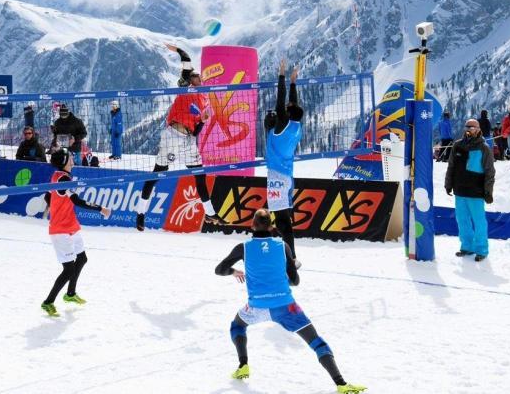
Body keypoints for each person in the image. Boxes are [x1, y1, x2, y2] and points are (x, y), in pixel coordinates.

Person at [215, 208, 366, 393]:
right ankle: (341, 384)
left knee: (237, 326)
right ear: (271, 227)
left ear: (252, 225)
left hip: (256, 306)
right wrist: (283, 275)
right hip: (286, 306)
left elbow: (219, 269)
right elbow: (295, 282)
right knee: (316, 341)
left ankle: (243, 364)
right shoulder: (283, 246)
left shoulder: (243, 248)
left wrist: (233, 271)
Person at [136, 44, 219, 231]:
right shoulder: (185, 87)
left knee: (200, 175)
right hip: (173, 136)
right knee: (157, 174)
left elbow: (196, 132)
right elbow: (187, 60)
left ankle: (210, 213)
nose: (198, 77)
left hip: (188, 140)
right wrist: (178, 49)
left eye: (199, 76)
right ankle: (140, 213)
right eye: (195, 75)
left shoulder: (203, 100)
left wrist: (202, 121)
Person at [41, 149, 111, 317]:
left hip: (71, 225)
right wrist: (101, 209)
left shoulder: (58, 176)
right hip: (60, 229)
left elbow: (47, 196)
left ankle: (70, 294)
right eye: (70, 156)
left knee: (82, 259)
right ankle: (48, 302)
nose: (73, 158)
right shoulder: (63, 179)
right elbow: (77, 201)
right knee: (69, 270)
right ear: (65, 161)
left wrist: (54, 206)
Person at [263, 58, 303, 260]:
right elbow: (292, 105)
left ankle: (291, 258)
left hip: (278, 176)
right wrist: (293, 82)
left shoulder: (282, 127)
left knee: (282, 222)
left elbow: (281, 100)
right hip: (286, 175)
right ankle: (288, 255)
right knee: (282, 219)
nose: (284, 108)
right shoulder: (296, 126)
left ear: (287, 113)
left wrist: (282, 74)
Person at [445, 118, 495, 261]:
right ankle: (467, 247)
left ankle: (481, 250)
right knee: (462, 220)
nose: (469, 130)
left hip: (476, 192)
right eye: (467, 127)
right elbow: (451, 166)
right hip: (460, 190)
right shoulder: (457, 145)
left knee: (479, 221)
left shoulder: (484, 147)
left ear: (478, 130)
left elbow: (490, 171)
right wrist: (448, 184)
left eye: (472, 127)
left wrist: (488, 191)